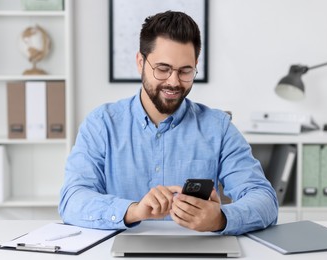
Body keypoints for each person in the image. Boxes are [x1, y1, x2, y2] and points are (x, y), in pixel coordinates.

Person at [59, 10, 278, 235]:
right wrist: (133, 210)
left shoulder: (218, 128)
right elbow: (72, 199)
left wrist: (220, 219)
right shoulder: (101, 124)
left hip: (199, 250)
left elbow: (265, 199)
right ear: (140, 62)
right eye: (162, 69)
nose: (173, 82)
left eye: (185, 71)